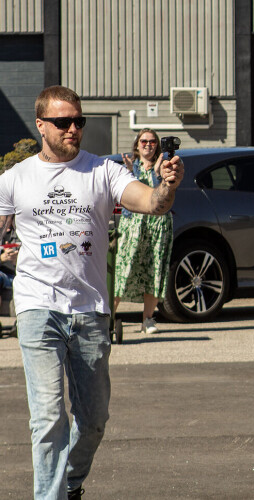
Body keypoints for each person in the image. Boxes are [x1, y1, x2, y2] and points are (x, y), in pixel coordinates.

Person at [0, 85, 184, 499]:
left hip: (90, 310)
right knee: (47, 418)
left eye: (78, 122)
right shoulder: (15, 179)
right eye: (63, 122)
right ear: (41, 125)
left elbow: (151, 202)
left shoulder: (104, 171)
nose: (72, 129)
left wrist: (166, 187)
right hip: (37, 306)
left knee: (94, 418)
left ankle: (70, 483)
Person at [113, 128, 174, 334]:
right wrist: (131, 173)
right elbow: (127, 193)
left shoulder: (164, 166)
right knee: (123, 269)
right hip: (133, 227)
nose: (148, 145)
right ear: (137, 145)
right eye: (144, 141)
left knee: (154, 271)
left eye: (152, 142)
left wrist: (158, 173)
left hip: (158, 227)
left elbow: (165, 193)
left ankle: (147, 319)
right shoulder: (129, 167)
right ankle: (109, 318)